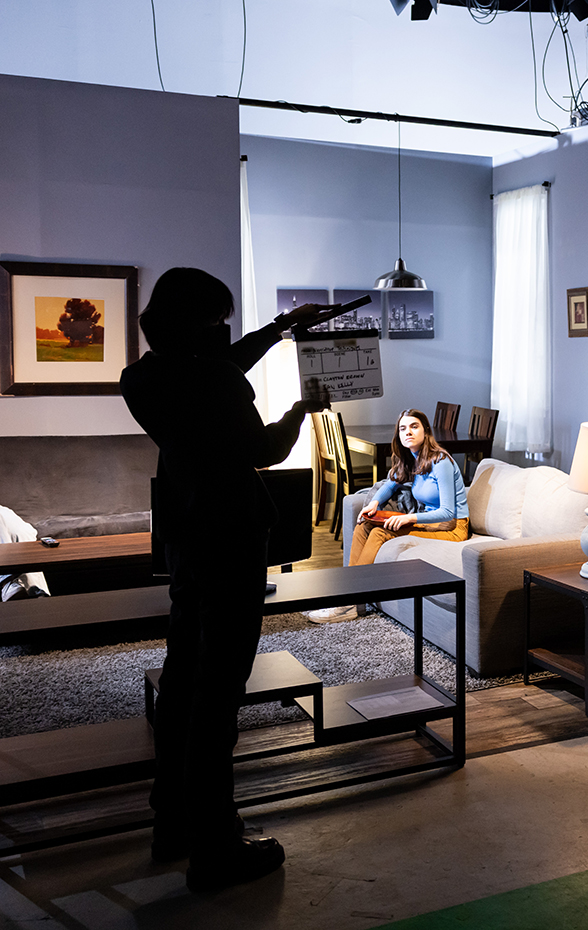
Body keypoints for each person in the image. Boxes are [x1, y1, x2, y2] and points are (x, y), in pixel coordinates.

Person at [120, 267, 332, 893]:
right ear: (198, 324)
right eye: (218, 320)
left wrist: (281, 329)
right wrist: (300, 412)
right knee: (220, 692)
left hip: (185, 540)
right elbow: (262, 449)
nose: (226, 331)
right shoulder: (212, 381)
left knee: (184, 678)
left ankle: (173, 824)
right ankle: (216, 845)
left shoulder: (147, 379)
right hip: (233, 541)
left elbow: (217, 365)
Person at [304, 409, 469, 623]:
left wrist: (410, 518)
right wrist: (373, 503)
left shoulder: (440, 461)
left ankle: (348, 602)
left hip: (452, 527)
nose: (408, 432)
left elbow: (448, 512)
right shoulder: (411, 458)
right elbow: (390, 484)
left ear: (426, 430)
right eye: (403, 428)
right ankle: (346, 596)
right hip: (430, 522)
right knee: (364, 525)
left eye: (414, 426)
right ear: (398, 434)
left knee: (381, 533)